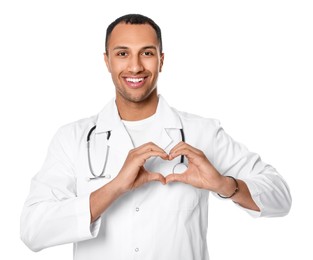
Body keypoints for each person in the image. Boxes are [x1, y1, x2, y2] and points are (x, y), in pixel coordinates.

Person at [20, 14, 292, 260]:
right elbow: (33, 230)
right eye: (123, 53)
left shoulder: (201, 133)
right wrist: (114, 188)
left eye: (147, 53)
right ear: (107, 61)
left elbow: (280, 197)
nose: (135, 67)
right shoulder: (74, 139)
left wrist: (224, 185)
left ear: (161, 59)